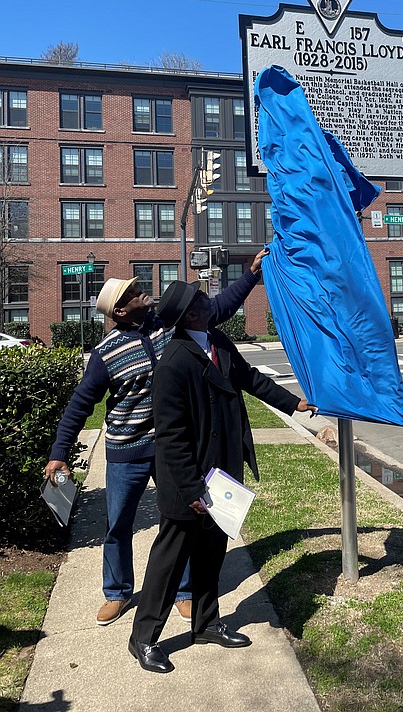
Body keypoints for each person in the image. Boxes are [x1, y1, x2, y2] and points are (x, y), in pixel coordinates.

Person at [44, 250, 268, 627]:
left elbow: (217, 309)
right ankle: (116, 592)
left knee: (176, 522)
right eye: (133, 292)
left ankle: (183, 592)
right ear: (119, 311)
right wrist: (58, 452)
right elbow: (81, 403)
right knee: (118, 524)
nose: (141, 290)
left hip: (171, 451)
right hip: (125, 452)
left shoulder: (169, 327)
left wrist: (249, 275)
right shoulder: (105, 353)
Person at [128, 280, 317, 673]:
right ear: (190, 314)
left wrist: (293, 402)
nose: (208, 301)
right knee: (169, 561)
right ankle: (143, 638)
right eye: (201, 300)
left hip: (222, 473)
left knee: (211, 554)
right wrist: (193, 488)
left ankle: (207, 623)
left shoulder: (216, 341)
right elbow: (172, 436)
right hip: (190, 483)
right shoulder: (174, 362)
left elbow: (250, 378)